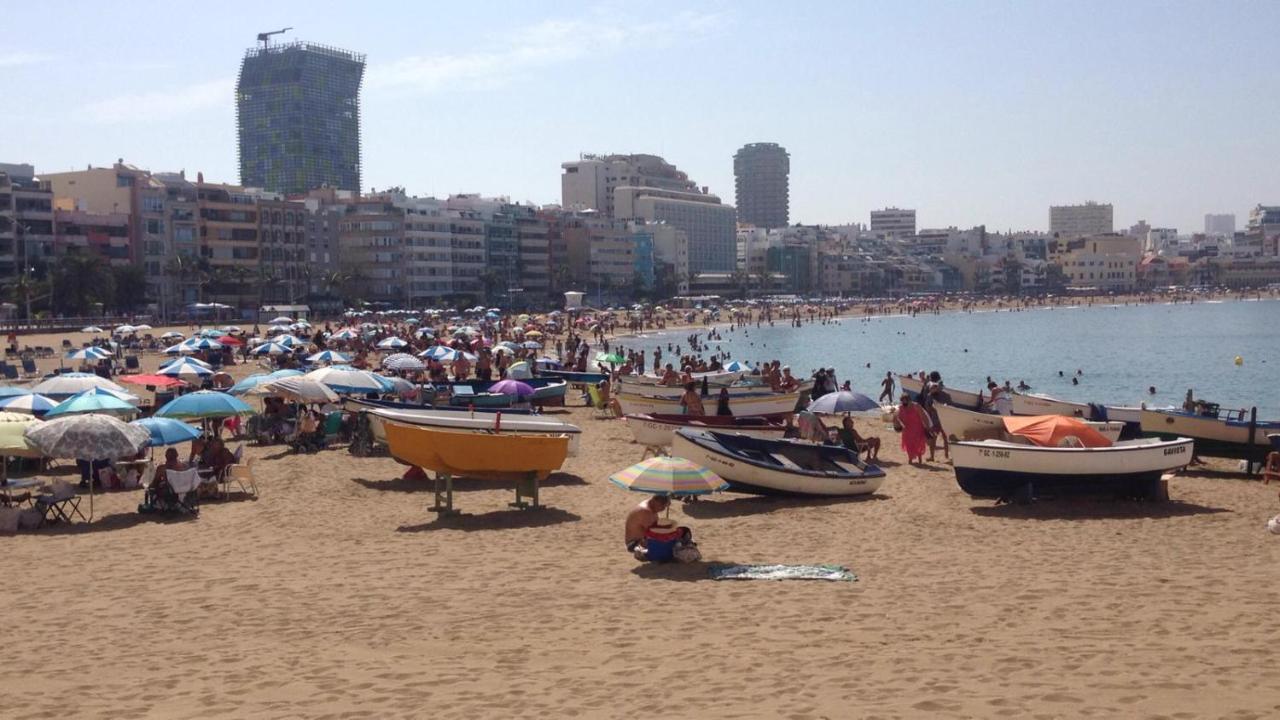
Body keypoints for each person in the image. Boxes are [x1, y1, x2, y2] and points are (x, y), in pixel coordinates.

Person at [895, 394, 930, 465]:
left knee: (918, 443)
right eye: (902, 401)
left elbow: (923, 416)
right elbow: (899, 417)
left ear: (909, 400)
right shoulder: (901, 407)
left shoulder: (916, 406)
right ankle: (910, 459)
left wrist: (927, 426)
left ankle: (920, 459)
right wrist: (898, 423)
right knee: (908, 444)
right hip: (907, 429)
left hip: (918, 427)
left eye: (905, 401)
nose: (904, 403)